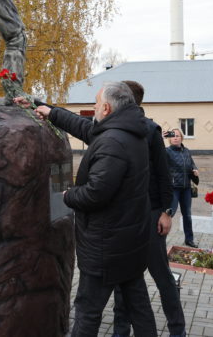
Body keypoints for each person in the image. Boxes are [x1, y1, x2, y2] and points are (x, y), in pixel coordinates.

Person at [33, 82, 157, 337]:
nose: (93, 107)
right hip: (129, 241)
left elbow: (96, 194)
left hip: (106, 245)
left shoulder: (113, 142)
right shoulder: (130, 130)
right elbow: (84, 127)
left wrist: (68, 195)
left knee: (88, 311)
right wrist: (48, 110)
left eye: (96, 104)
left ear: (108, 108)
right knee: (139, 307)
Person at [111, 81, 185, 337]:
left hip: (152, 215)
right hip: (127, 218)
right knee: (123, 278)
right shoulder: (116, 129)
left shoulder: (150, 130)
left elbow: (165, 176)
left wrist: (167, 211)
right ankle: (121, 329)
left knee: (162, 275)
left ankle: (178, 329)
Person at [164, 128, 199, 248]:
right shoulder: (166, 151)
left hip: (186, 188)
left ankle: (189, 239)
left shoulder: (187, 151)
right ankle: (161, 238)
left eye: (178, 135)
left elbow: (192, 164)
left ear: (181, 138)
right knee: (169, 214)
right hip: (173, 188)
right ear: (169, 139)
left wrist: (195, 170)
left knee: (187, 215)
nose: (175, 137)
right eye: (173, 136)